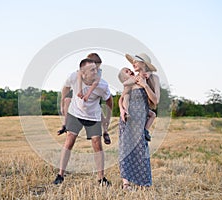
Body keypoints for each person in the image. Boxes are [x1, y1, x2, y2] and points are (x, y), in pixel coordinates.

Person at [53, 58, 113, 186]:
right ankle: (60, 175)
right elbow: (65, 88)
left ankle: (101, 178)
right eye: (92, 70)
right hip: (75, 113)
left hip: (93, 116)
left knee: (97, 143)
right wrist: (63, 103)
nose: (96, 71)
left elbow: (109, 100)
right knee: (69, 140)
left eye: (96, 69)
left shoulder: (102, 85)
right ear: (82, 72)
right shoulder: (74, 77)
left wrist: (108, 118)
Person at [118, 53, 159, 189]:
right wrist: (122, 110)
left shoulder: (153, 78)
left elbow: (155, 101)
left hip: (140, 119)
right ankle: (126, 183)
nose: (133, 64)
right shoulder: (131, 79)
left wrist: (145, 85)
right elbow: (123, 97)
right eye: (133, 62)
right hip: (128, 118)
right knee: (125, 149)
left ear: (144, 64)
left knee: (141, 150)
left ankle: (143, 182)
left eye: (136, 62)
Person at [57, 53, 111, 145]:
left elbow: (95, 83)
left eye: (98, 67)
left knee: (97, 108)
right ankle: (65, 125)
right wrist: (79, 90)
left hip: (92, 93)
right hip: (78, 90)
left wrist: (87, 94)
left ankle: (105, 131)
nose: (97, 70)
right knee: (67, 101)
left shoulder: (98, 72)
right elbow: (76, 77)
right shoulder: (79, 72)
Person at [118, 67, 156, 141]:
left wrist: (149, 74)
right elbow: (122, 93)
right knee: (126, 96)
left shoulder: (138, 80)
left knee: (153, 115)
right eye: (127, 71)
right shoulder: (129, 83)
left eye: (129, 70)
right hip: (132, 108)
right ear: (124, 78)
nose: (130, 71)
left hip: (141, 108)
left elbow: (145, 74)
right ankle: (127, 112)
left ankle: (145, 130)